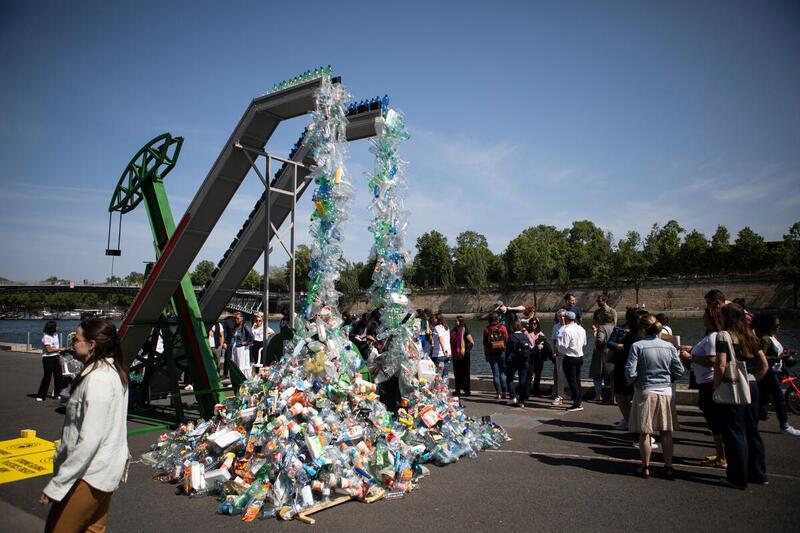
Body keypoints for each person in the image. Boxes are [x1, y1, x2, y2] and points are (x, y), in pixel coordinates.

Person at [40, 318, 129, 532]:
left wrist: (58, 484)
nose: (72, 343)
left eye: (76, 339)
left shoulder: (98, 378)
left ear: (92, 344)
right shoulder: (113, 371)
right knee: (93, 528)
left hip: (89, 473)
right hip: (106, 468)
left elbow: (90, 439)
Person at [714, 303, 769, 489]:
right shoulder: (750, 335)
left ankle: (737, 477)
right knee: (752, 430)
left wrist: (717, 387)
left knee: (734, 432)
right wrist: (752, 380)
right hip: (752, 383)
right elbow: (764, 365)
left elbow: (721, 364)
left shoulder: (724, 335)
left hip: (734, 384)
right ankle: (758, 473)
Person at [625, 314, 684, 479]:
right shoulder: (669, 347)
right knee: (666, 431)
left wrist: (636, 381)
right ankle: (669, 466)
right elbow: (679, 371)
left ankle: (646, 467)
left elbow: (630, 371)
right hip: (665, 390)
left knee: (645, 432)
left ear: (643, 328)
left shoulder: (638, 346)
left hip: (645, 389)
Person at [679, 308, 726, 468]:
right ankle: (721, 454)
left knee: (715, 421)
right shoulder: (711, 336)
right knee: (714, 422)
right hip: (706, 382)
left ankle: (722, 457)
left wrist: (691, 357)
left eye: (705, 315)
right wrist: (691, 349)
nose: (703, 317)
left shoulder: (713, 338)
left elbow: (714, 360)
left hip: (709, 383)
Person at [753, 314, 800, 436]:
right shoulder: (765, 339)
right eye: (776, 324)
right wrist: (779, 357)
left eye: (779, 324)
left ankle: (750, 423)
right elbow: (760, 358)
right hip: (769, 372)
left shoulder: (774, 338)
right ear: (770, 325)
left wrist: (786, 352)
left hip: (776, 371)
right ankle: (784, 425)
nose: (778, 326)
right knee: (779, 399)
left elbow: (776, 352)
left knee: (763, 399)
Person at [558, 311, 586, 412]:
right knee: (577, 380)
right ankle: (579, 400)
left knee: (572, 381)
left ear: (566, 319)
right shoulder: (581, 329)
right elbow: (584, 343)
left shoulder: (566, 330)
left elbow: (562, 347)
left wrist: (558, 346)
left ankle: (576, 404)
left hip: (570, 357)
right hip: (580, 356)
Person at [591, 295, 617, 402]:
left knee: (598, 373)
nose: (597, 303)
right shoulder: (597, 312)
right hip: (611, 347)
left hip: (602, 347)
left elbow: (600, 338)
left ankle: (599, 395)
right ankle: (613, 396)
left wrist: (597, 341)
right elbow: (594, 324)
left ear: (605, 301)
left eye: (599, 301)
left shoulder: (612, 311)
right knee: (611, 374)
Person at [505, 320, 532, 407]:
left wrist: (506, 362)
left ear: (513, 327)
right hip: (524, 360)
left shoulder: (511, 337)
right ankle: (522, 401)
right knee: (522, 381)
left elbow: (508, 351)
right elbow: (530, 346)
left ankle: (513, 398)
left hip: (514, 360)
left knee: (509, 379)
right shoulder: (525, 335)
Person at [482, 313, 508, 400]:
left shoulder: (486, 329)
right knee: (502, 373)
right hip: (502, 352)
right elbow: (507, 339)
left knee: (495, 374)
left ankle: (499, 394)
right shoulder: (503, 328)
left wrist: (486, 354)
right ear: (497, 319)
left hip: (491, 353)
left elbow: (485, 343)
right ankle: (504, 393)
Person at [37, 320, 65, 401]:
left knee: (58, 376)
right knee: (47, 377)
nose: (58, 327)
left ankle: (57, 394)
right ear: (52, 327)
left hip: (56, 357)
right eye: (56, 326)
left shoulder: (56, 334)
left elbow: (55, 347)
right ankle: (41, 395)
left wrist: (59, 352)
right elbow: (48, 350)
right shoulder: (46, 337)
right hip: (48, 358)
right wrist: (60, 349)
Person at [526, 317, 550, 397]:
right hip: (531, 356)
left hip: (539, 357)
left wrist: (542, 346)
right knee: (529, 374)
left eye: (535, 323)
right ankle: (527, 391)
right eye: (532, 323)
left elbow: (545, 344)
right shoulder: (527, 333)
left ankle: (536, 391)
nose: (533, 325)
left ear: (537, 324)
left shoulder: (541, 333)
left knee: (538, 374)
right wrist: (535, 346)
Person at [450, 316, 474, 396]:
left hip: (464, 356)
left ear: (460, 321)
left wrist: (466, 352)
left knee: (465, 373)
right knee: (457, 373)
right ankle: (457, 390)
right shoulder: (453, 331)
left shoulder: (465, 330)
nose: (455, 322)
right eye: (454, 321)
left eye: (456, 321)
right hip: (456, 355)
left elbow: (471, 342)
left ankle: (467, 390)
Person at [551, 308, 570, 405]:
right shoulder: (556, 327)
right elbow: (554, 340)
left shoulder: (570, 327)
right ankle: (560, 395)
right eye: (560, 316)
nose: (562, 318)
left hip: (569, 354)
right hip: (559, 354)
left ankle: (569, 393)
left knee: (570, 375)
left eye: (563, 316)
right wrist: (554, 350)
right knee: (559, 375)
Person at [429, 314, 451, 381]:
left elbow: (441, 339)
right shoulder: (446, 327)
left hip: (439, 354)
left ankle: (438, 389)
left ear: (437, 319)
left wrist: (445, 351)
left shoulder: (437, 327)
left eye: (434, 319)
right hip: (448, 354)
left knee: (437, 375)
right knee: (445, 374)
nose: (433, 320)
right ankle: (444, 389)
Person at [220, 314, 237, 379]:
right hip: (229, 342)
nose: (237, 319)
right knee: (227, 359)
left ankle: (234, 375)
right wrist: (224, 342)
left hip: (238, 343)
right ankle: (225, 374)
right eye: (236, 318)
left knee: (236, 360)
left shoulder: (242, 323)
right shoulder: (228, 322)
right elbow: (225, 333)